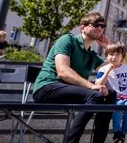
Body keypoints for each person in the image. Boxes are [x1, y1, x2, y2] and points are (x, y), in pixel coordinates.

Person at [31, 12, 114, 143]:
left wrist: (109, 48)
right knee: (95, 95)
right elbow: (63, 71)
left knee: (110, 94)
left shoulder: (91, 55)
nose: (100, 28)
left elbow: (117, 67)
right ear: (82, 28)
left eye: (103, 26)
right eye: (96, 24)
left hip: (69, 90)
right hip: (47, 88)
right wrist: (92, 85)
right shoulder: (68, 40)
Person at [95, 42, 127, 143]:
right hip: (113, 97)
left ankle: (123, 133)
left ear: (122, 57)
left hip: (126, 97)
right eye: (111, 54)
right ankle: (117, 132)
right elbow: (98, 84)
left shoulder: (126, 69)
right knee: (118, 106)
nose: (114, 57)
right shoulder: (103, 69)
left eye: (117, 54)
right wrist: (108, 71)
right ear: (106, 56)